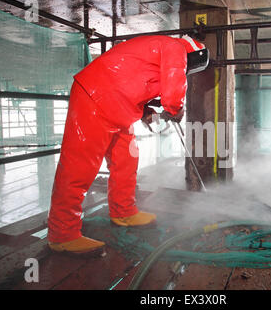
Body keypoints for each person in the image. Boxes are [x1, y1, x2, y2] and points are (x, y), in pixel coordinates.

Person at [47, 35, 209, 254]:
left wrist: (145, 111)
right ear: (194, 56)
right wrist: (176, 109)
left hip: (115, 106)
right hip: (95, 99)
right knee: (79, 167)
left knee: (127, 159)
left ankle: (123, 211)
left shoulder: (159, 51)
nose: (185, 71)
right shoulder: (175, 47)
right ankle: (62, 234)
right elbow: (173, 86)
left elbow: (129, 82)